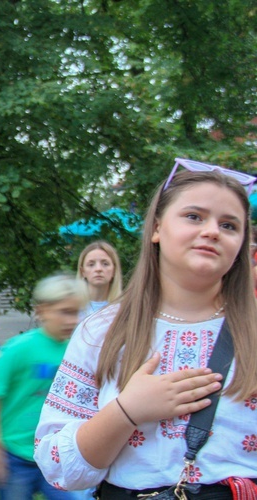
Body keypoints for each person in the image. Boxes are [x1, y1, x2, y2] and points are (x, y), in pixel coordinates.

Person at [34, 159, 257, 498]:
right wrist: (127, 411)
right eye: (194, 216)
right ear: (156, 228)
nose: (212, 230)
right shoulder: (101, 331)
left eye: (229, 225)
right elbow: (57, 465)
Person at [0, 274, 85, 500]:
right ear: (42, 310)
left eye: (76, 313)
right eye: (64, 312)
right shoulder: (20, 348)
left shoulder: (77, 351)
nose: (72, 321)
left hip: (57, 455)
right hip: (16, 456)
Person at [76, 241, 123, 320]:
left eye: (105, 264)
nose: (98, 269)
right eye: (91, 264)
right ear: (82, 272)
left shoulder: (123, 309)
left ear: (114, 270)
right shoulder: (72, 308)